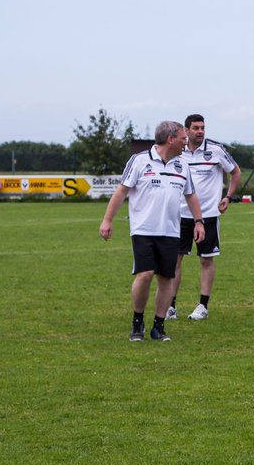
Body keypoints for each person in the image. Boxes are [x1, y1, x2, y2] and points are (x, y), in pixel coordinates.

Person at [99, 120, 205, 342]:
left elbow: (191, 195)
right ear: (170, 139)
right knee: (145, 274)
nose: (186, 141)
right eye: (182, 138)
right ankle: (137, 321)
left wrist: (198, 221)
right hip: (143, 230)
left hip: (170, 231)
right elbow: (121, 192)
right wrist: (107, 220)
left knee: (166, 278)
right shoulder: (139, 161)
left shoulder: (182, 165)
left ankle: (159, 325)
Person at [168, 113, 241, 321]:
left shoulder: (216, 150)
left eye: (202, 127)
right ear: (187, 130)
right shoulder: (177, 152)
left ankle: (202, 306)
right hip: (180, 214)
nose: (200, 131)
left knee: (206, 260)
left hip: (208, 215)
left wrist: (228, 196)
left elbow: (236, 171)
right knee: (175, 260)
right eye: (196, 128)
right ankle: (170, 306)